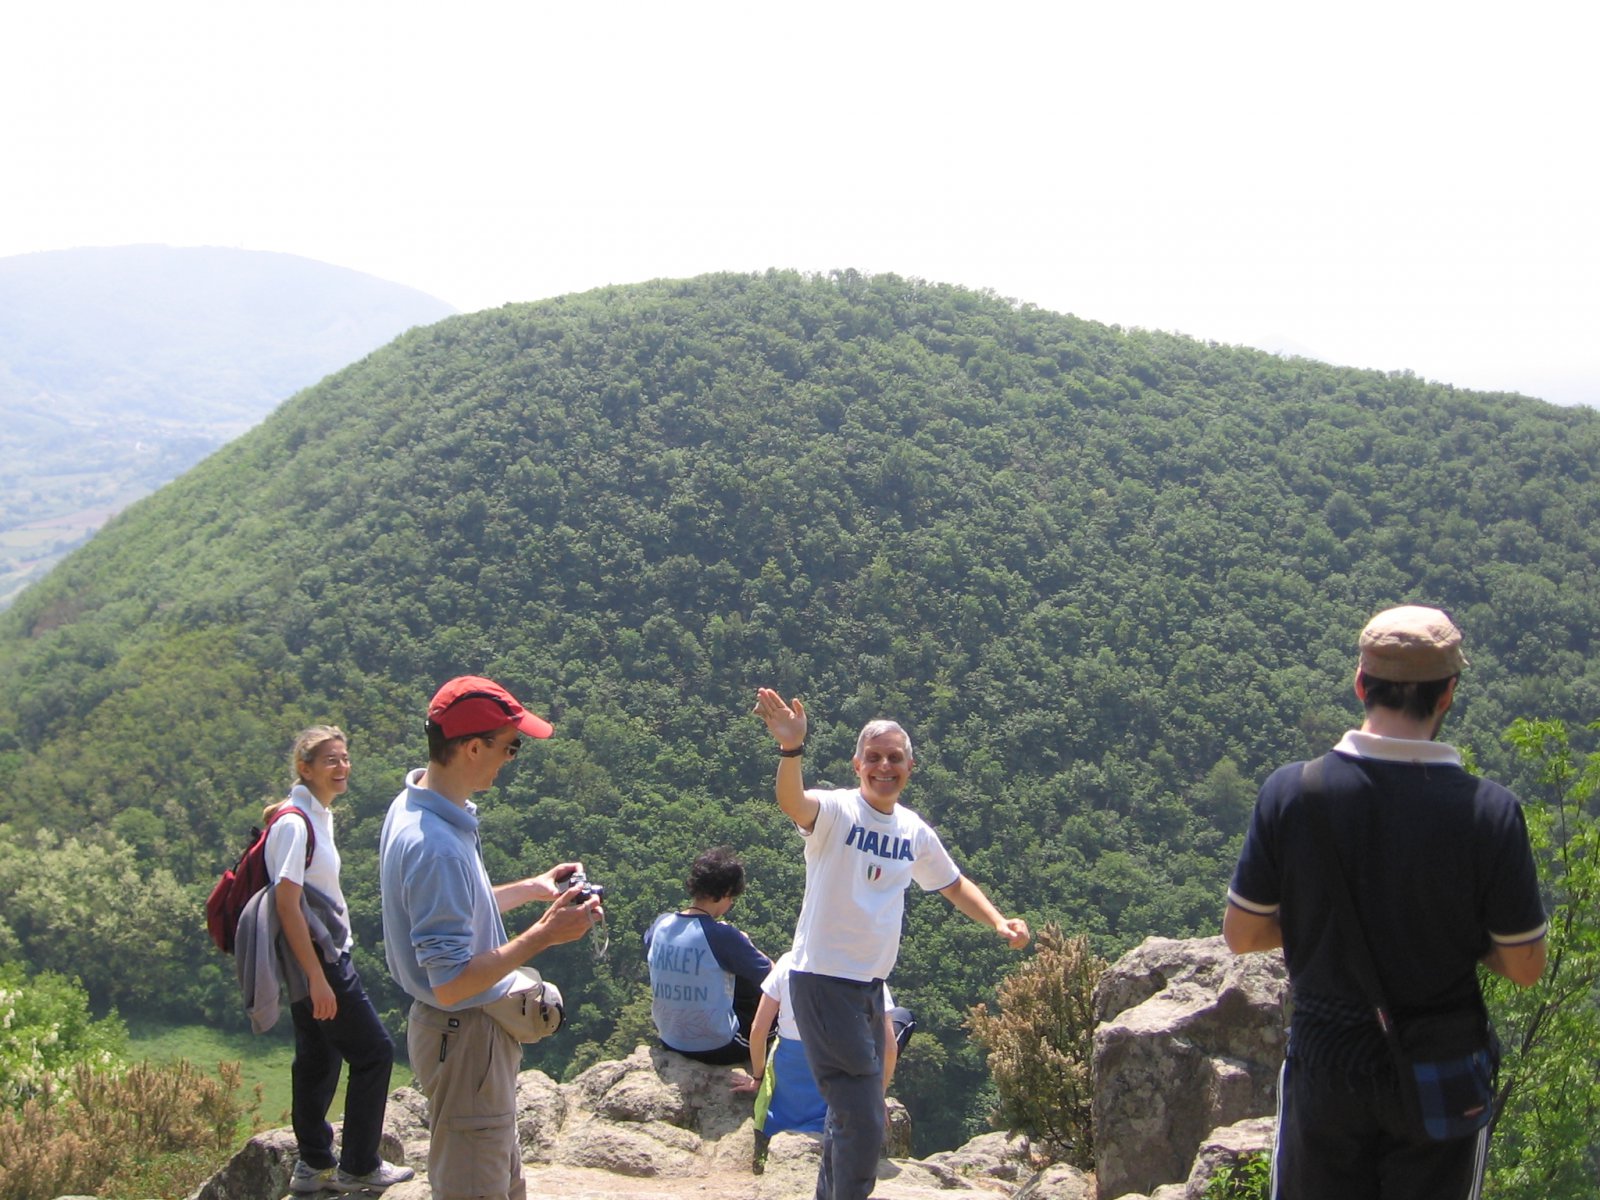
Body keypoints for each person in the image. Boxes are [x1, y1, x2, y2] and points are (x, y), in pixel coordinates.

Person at [1223, 605, 1548, 1200]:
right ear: (1447, 695)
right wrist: (1454, 931)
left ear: (1360, 683)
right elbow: (1525, 966)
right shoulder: (1490, 812)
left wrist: (1318, 921)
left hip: (1325, 1065)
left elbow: (1243, 935)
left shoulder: (1293, 793)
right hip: (1441, 1071)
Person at [751, 688, 1030, 1200]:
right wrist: (791, 749)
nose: (885, 766)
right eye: (874, 757)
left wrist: (997, 921)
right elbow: (793, 802)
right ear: (857, 764)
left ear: (910, 767)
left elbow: (953, 884)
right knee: (863, 1113)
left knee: (849, 1111)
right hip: (823, 979)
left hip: (868, 987)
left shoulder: (912, 831)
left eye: (895, 758)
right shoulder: (837, 811)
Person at [379, 676, 602, 1200]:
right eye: (510, 746)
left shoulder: (416, 807)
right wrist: (543, 935)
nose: (510, 759)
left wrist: (530, 889)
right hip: (466, 1038)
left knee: (499, 1179)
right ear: (473, 747)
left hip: (460, 1039)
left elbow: (454, 910)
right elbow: (452, 981)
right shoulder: (436, 846)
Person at [261, 726, 413, 1196]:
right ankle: (360, 1166)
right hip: (320, 960)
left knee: (318, 1058)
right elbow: (287, 904)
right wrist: (316, 977)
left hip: (313, 959)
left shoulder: (315, 815)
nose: (342, 767)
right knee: (375, 1052)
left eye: (345, 758)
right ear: (304, 768)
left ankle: (314, 1165)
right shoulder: (295, 825)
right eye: (331, 760)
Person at [734, 949, 916, 1142]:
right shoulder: (865, 970)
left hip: (780, 1120)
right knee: (903, 1017)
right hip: (833, 1117)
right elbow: (889, 1048)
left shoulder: (790, 961)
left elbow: (758, 1030)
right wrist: (877, 1096)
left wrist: (758, 1077)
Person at [644, 845, 773, 1064]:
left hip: (669, 1040)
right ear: (724, 893)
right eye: (732, 897)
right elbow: (773, 976)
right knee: (773, 1008)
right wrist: (745, 942)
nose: (731, 903)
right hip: (718, 1048)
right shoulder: (722, 936)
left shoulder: (660, 925)